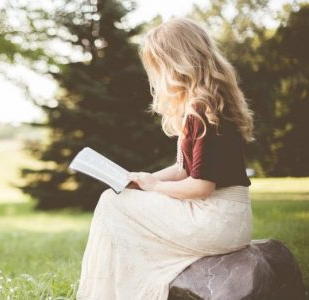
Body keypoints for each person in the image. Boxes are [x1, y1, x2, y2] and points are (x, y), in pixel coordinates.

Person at [76, 18, 255, 300]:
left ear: (176, 62)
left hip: (216, 219)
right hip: (228, 219)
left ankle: (105, 294)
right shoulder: (209, 102)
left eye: (158, 65)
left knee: (111, 203)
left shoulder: (201, 109)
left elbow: (200, 187)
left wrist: (154, 188)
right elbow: (184, 169)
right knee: (116, 198)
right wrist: (140, 179)